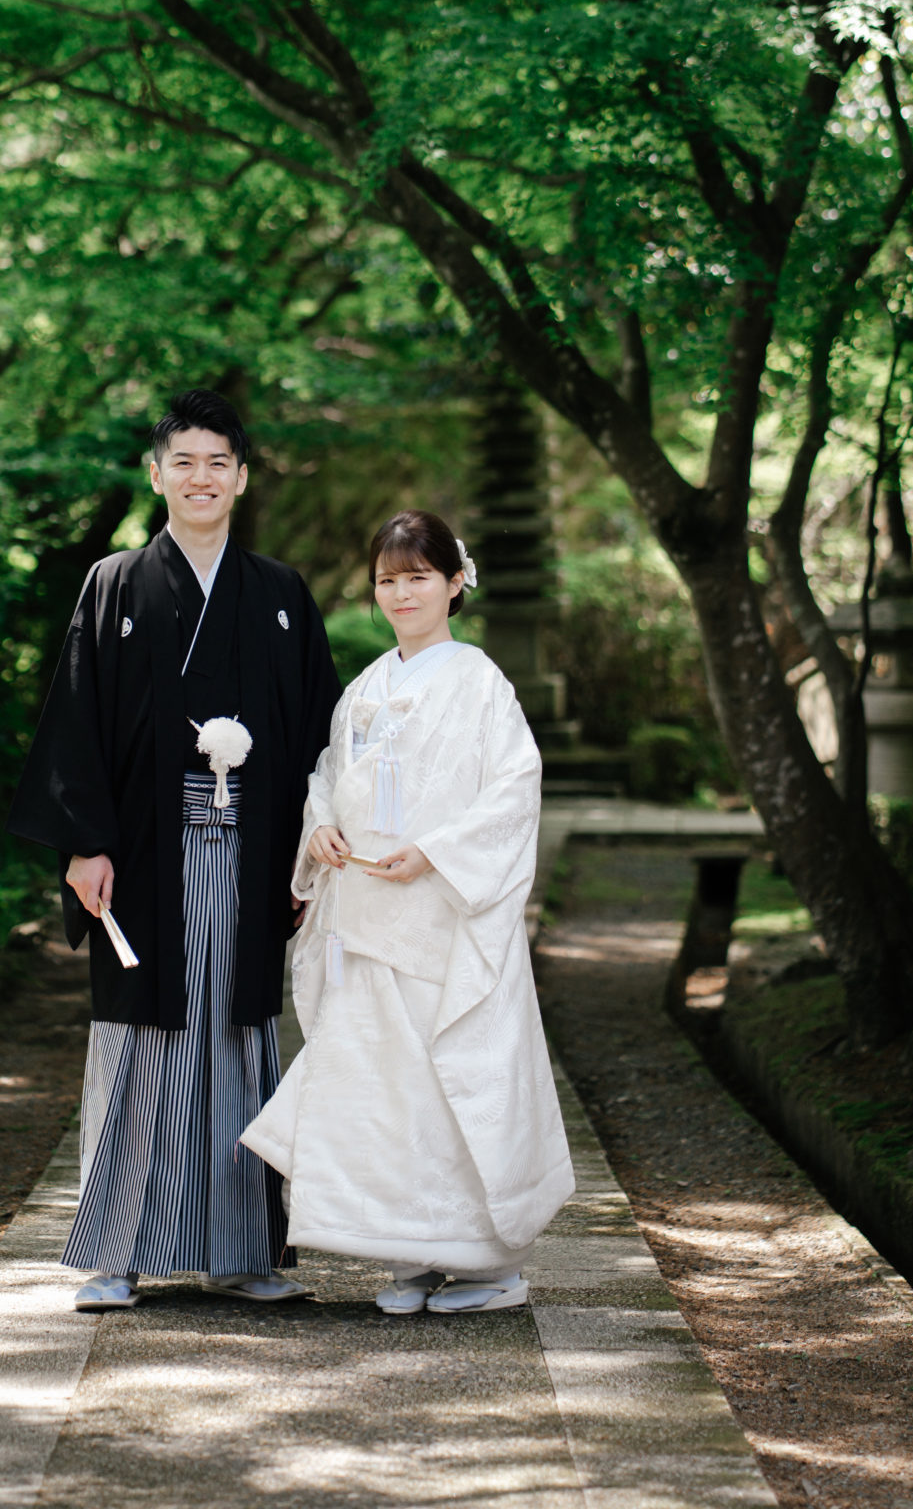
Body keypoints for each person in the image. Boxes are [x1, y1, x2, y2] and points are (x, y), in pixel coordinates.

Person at [9, 390, 340, 1308]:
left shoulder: (278, 595)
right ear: (156, 476)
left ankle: (241, 1252)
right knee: (137, 1035)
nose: (201, 478)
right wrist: (83, 843)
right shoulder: (113, 584)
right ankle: (115, 1250)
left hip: (252, 846)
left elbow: (319, 731)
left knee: (239, 1034)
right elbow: (76, 719)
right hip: (144, 850)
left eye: (218, 462)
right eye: (182, 462)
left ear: (241, 476)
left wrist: (311, 852)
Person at [241, 509, 574, 1315]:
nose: (402, 593)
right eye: (388, 580)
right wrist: (319, 826)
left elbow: (510, 791)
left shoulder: (479, 681)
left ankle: (488, 1265)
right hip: (364, 907)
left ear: (455, 583)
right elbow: (327, 774)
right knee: (379, 1088)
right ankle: (410, 1257)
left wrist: (434, 853)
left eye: (418, 577)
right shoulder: (365, 685)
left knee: (445, 1080)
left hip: (437, 911)